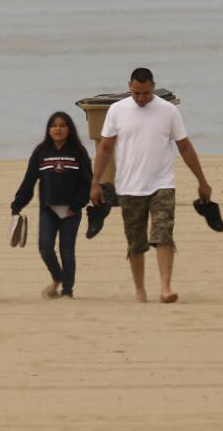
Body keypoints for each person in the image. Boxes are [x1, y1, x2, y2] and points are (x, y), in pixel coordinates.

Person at [90, 68, 213, 303]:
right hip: (128, 186)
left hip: (162, 184)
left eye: (145, 93)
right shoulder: (116, 110)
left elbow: (185, 147)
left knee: (163, 233)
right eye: (136, 93)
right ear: (129, 86)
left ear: (153, 87)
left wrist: (202, 181)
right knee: (135, 241)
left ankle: (166, 288)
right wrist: (95, 183)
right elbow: (104, 149)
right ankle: (140, 290)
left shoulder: (168, 110)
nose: (140, 98)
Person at [10, 111, 92, 299]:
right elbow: (29, 181)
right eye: (54, 125)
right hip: (48, 209)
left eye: (62, 125)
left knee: (67, 249)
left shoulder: (78, 152)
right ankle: (58, 277)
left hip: (71, 210)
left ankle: (67, 291)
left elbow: (88, 183)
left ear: (69, 129)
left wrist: (76, 205)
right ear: (49, 130)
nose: (58, 129)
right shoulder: (41, 152)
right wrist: (17, 204)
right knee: (45, 247)